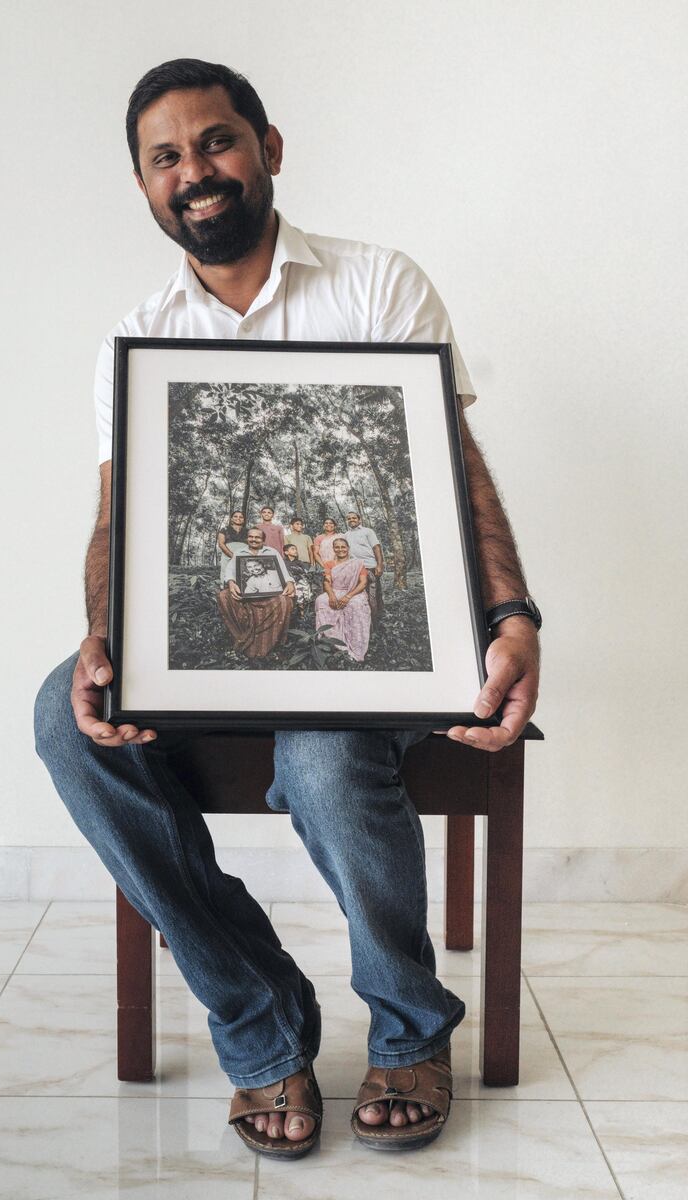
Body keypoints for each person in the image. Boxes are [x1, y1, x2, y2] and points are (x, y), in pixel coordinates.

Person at [34, 58, 540, 1159]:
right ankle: (263, 1029)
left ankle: (410, 1027)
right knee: (55, 720)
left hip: (376, 639)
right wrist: (103, 638)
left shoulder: (376, 284)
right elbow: (118, 524)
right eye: (165, 157)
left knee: (320, 754)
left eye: (214, 141)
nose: (194, 172)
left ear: (268, 146)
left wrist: (511, 614)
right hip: (214, 639)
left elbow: (456, 471)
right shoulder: (135, 333)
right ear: (142, 185)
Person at [217, 527, 295, 657]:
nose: (253, 539)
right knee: (223, 596)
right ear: (247, 538)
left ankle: (270, 643)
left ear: (263, 540)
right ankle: (243, 635)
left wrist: (290, 582)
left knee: (284, 600)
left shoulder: (272, 552)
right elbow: (229, 572)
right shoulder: (239, 553)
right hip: (248, 597)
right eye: (251, 537)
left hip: (270, 597)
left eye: (257, 537)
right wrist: (231, 582)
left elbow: (284, 572)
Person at [315, 538, 371, 661]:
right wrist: (331, 595)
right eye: (337, 547)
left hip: (354, 592)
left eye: (343, 547)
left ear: (348, 548)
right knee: (321, 600)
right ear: (334, 549)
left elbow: (363, 583)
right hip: (335, 590)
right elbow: (327, 582)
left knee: (355, 604)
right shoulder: (329, 564)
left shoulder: (357, 563)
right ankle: (333, 639)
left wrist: (348, 596)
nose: (340, 550)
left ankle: (356, 646)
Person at [343, 510, 385, 625]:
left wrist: (379, 564)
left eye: (354, 518)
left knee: (374, 595)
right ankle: (363, 621)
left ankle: (377, 622)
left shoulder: (368, 531)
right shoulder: (346, 535)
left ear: (359, 520)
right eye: (349, 518)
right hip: (355, 568)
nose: (351, 520)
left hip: (370, 565)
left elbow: (376, 547)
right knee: (360, 595)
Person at [282, 542, 314, 619]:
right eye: (293, 549)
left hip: (301, 582)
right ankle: (297, 615)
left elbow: (305, 572)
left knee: (304, 589)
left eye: (296, 549)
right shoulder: (283, 563)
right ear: (286, 552)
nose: (296, 551)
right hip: (290, 584)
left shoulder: (299, 562)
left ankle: (304, 615)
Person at [216, 510, 248, 583]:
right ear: (231, 519)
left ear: (244, 520)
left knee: (243, 575)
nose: (238, 518)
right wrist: (232, 555)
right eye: (235, 516)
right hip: (227, 557)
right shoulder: (224, 529)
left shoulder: (247, 531)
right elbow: (221, 543)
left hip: (243, 558)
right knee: (226, 574)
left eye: (241, 517)